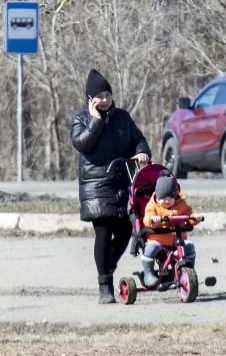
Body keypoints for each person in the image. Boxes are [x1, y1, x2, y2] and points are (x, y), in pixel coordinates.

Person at [70, 69, 151, 304]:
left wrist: (142, 151)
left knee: (126, 230)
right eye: (100, 96)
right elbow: (82, 144)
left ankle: (107, 268)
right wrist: (95, 120)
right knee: (103, 233)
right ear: (90, 99)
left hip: (122, 182)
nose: (105, 100)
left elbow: (139, 139)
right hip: (96, 185)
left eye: (108, 95)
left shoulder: (123, 117)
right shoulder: (80, 120)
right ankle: (104, 285)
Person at [141, 174, 203, 287]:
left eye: (170, 198)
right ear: (157, 197)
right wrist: (153, 220)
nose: (166, 201)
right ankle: (148, 274)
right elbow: (146, 219)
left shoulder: (181, 204)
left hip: (178, 239)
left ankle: (188, 270)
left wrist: (195, 217)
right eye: (163, 198)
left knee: (189, 246)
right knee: (151, 248)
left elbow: (189, 214)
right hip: (159, 239)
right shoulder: (152, 206)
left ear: (175, 195)